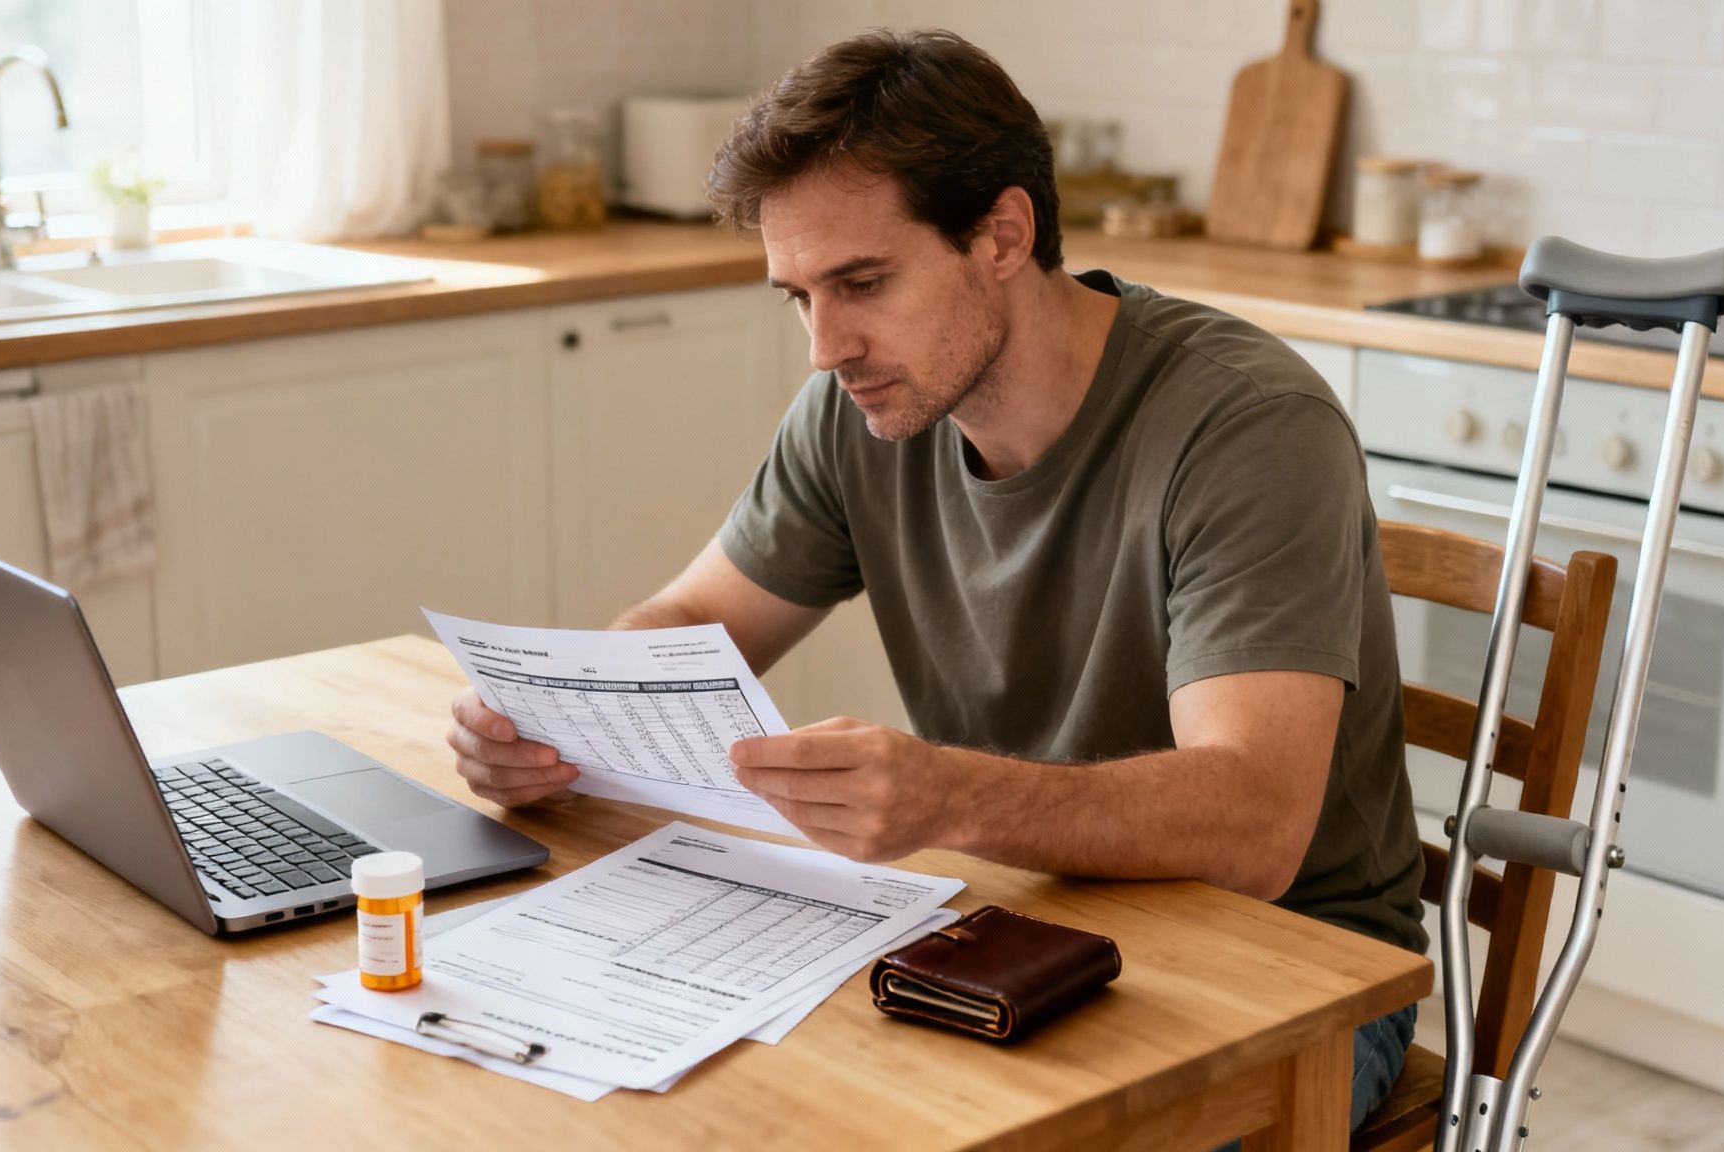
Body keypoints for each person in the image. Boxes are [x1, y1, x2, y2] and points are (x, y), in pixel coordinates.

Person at [446, 28, 1423, 1132]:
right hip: (1017, 923)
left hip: (1293, 973)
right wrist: (557, 714)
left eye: (861, 282)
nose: (826, 346)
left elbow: (1253, 823)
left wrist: (948, 795)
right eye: (798, 297)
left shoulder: (1245, 427)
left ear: (1001, 234)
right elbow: (692, 624)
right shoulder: (859, 407)